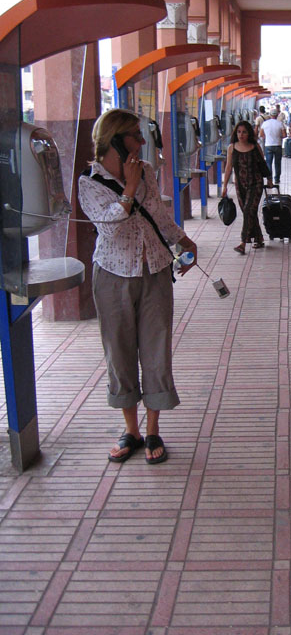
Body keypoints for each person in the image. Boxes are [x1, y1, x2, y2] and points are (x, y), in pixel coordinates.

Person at [78, 108, 198, 465]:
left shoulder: (146, 171)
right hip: (113, 274)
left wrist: (183, 239)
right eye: (135, 134)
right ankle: (130, 429)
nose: (143, 141)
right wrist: (128, 189)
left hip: (155, 270)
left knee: (156, 350)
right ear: (115, 139)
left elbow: (158, 217)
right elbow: (109, 228)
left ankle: (152, 430)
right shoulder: (89, 182)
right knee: (120, 352)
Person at [222, 120, 273, 255]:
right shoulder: (232, 148)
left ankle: (243, 242)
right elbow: (228, 167)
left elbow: (262, 163)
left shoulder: (255, 147)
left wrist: (269, 179)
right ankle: (259, 238)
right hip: (240, 185)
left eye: (244, 132)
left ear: (249, 133)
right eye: (239, 132)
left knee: (248, 211)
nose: (241, 135)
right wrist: (224, 185)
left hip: (255, 183)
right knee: (250, 212)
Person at [259, 108, 286, 185]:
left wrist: (267, 137)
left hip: (268, 145)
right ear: (277, 115)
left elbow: (261, 134)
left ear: (270, 115)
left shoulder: (265, 123)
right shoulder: (280, 123)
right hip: (278, 145)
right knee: (277, 163)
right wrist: (278, 137)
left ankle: (269, 179)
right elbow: (284, 135)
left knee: (268, 163)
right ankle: (277, 179)